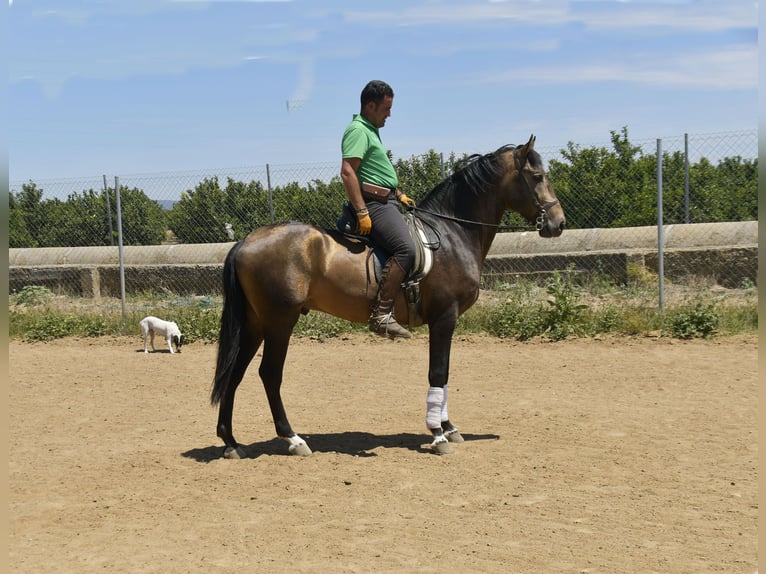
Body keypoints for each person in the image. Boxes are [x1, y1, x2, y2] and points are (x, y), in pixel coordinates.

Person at [340, 80, 416, 339]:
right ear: (370, 106)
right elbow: (348, 171)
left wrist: (398, 193)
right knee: (405, 249)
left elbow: (372, 172)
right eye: (386, 108)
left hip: (387, 200)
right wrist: (362, 211)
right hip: (374, 205)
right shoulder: (358, 130)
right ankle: (382, 314)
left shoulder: (371, 130)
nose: (389, 114)